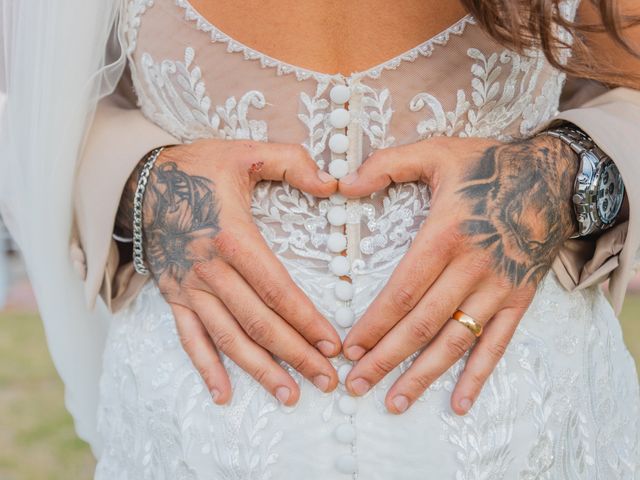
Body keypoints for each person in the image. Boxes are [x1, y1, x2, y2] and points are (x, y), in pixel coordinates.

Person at [1, 0, 639, 477]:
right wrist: (141, 180)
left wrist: (565, 174)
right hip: (196, 440)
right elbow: (33, 96)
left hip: (528, 432)